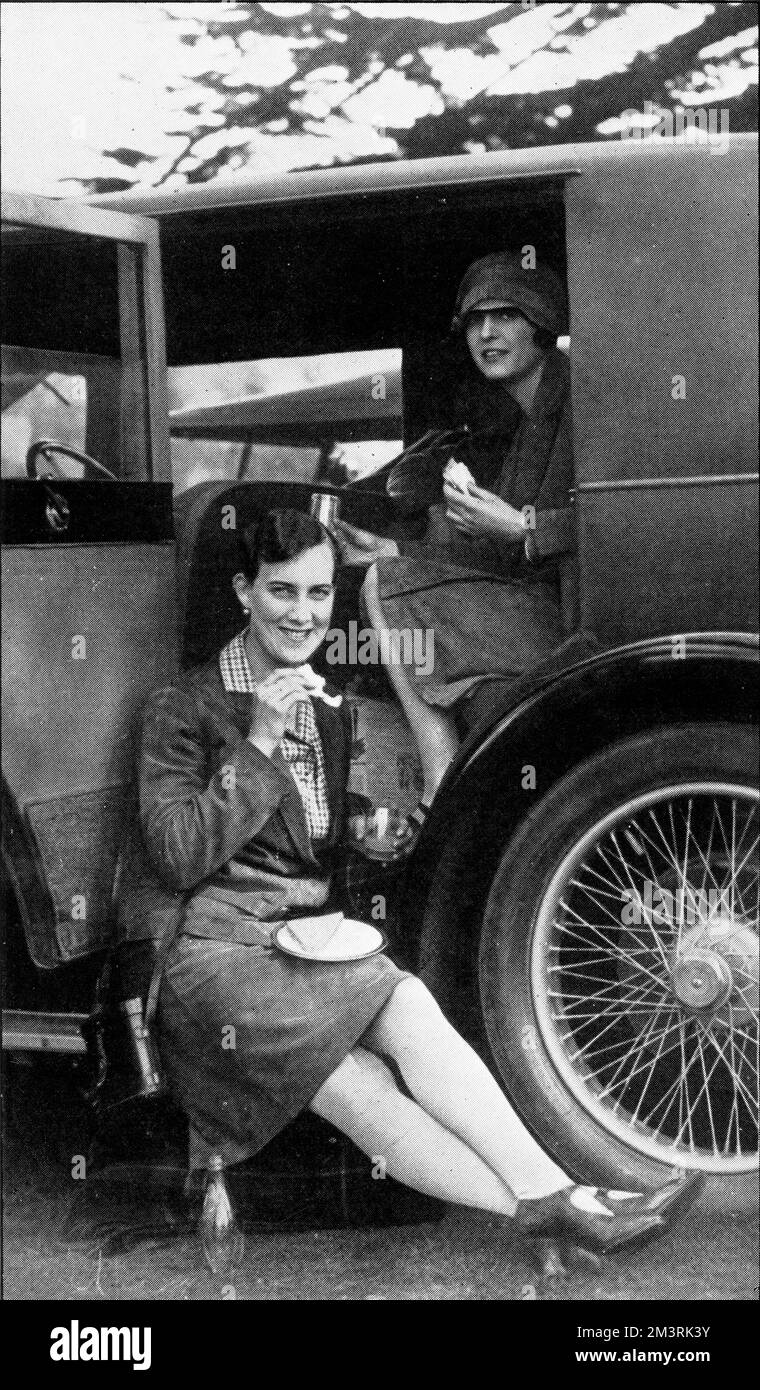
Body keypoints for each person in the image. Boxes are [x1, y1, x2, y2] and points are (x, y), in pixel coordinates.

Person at [117, 508, 697, 1256]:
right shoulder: (185, 706)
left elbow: (298, 846)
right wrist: (259, 741)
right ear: (243, 591)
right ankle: (565, 1202)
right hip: (209, 960)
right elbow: (174, 855)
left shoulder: (319, 704)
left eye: (320, 594)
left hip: (291, 948)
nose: (303, 615)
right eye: (282, 592)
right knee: (356, 1083)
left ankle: (558, 1204)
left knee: (404, 1002)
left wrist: (359, 832)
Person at [337, 251, 580, 847]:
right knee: (387, 577)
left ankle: (439, 779)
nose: (486, 334)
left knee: (383, 588)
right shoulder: (528, 417)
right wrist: (395, 546)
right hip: (536, 607)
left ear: (540, 324)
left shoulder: (580, 401)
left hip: (579, 622)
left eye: (505, 315)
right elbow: (491, 557)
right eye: (474, 321)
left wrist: (524, 527)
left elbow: (618, 519)